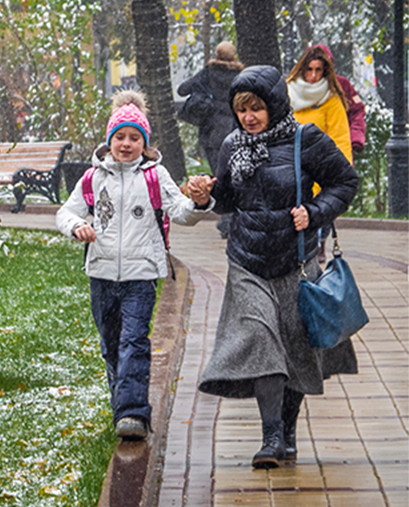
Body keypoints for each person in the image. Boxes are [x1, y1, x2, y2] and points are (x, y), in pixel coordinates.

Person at [190, 65, 359, 469]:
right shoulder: (233, 144)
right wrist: (205, 196)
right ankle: (270, 437)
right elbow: (227, 200)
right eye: (241, 109)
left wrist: (314, 212)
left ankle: (287, 430)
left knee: (296, 349)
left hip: (295, 260)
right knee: (262, 340)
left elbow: (344, 182)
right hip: (247, 261)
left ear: (275, 105)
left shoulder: (305, 139)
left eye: (256, 108)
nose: (248, 117)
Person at [56, 90, 214, 440]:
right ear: (109, 139)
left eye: (134, 138)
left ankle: (132, 413)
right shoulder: (93, 178)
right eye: (120, 137)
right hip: (101, 274)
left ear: (144, 143)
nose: (126, 144)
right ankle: (122, 402)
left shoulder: (155, 176)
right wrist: (77, 226)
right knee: (112, 345)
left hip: (141, 275)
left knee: (134, 341)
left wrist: (199, 202)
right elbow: (66, 212)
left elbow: (181, 213)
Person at [287, 45, 355, 263]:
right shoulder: (287, 92)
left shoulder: (331, 99)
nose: (314, 75)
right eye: (309, 69)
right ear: (302, 69)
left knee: (320, 207)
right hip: (289, 162)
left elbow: (340, 135)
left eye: (319, 70)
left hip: (319, 164)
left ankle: (317, 246)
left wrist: (343, 166)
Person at [178, 41, 244, 240]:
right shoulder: (240, 77)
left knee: (218, 176)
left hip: (212, 133)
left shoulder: (208, 73)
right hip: (235, 132)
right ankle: (233, 220)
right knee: (235, 176)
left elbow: (182, 89)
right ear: (234, 57)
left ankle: (227, 221)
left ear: (216, 56)